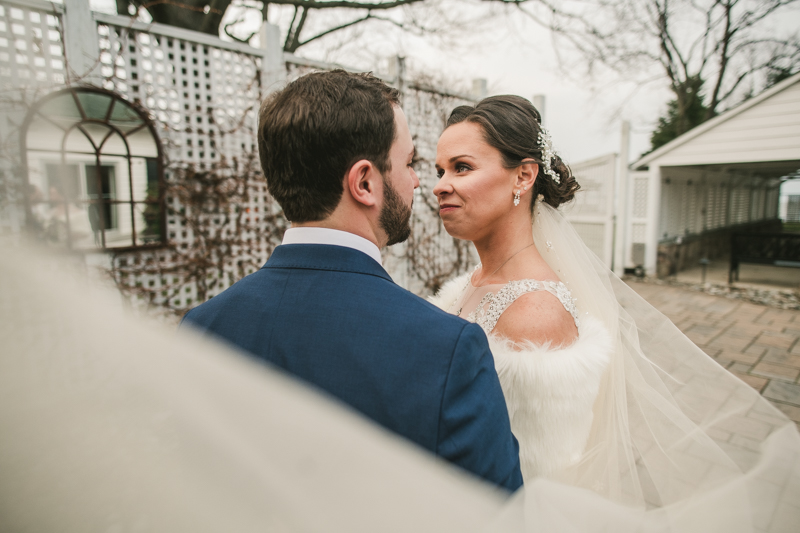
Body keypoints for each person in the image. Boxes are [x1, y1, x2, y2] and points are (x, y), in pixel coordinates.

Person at [429, 95, 800, 526]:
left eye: (462, 167)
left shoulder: (534, 312)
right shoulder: (470, 282)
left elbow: (538, 471)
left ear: (524, 176)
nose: (440, 184)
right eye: (439, 170)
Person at [181, 71, 523, 492]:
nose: (420, 181)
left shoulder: (199, 329)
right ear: (364, 182)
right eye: (409, 163)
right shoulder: (447, 350)